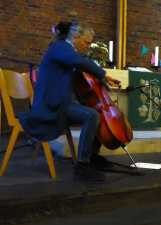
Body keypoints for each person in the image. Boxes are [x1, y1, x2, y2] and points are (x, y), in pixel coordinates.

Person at [19, 21, 114, 181]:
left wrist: (101, 80)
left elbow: (78, 68)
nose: (88, 46)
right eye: (87, 42)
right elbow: (80, 62)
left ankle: (91, 157)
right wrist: (102, 74)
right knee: (92, 116)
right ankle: (82, 166)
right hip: (50, 106)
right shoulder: (61, 47)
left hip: (60, 103)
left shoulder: (65, 51)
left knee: (94, 112)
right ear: (75, 37)